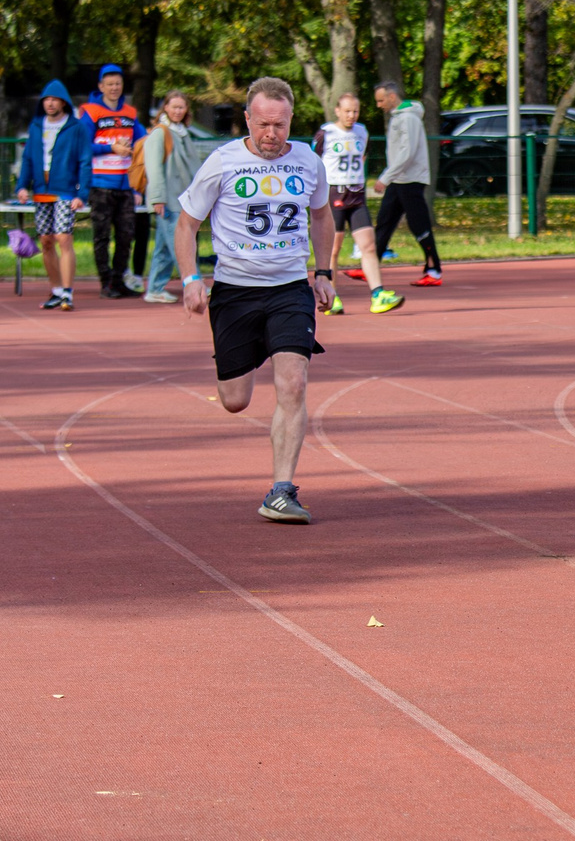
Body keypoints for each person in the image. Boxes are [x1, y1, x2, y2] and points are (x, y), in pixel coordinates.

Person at [175, 77, 337, 524]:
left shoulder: (308, 161)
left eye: (280, 125)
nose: (271, 134)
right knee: (234, 400)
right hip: (235, 291)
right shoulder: (223, 162)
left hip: (289, 289)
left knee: (294, 382)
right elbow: (186, 224)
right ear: (247, 119)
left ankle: (281, 490)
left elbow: (322, 216)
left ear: (291, 121)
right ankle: (255, 348)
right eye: (263, 124)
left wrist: (324, 273)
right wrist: (191, 279)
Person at [315, 93, 402, 316]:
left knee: (369, 246)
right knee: (333, 249)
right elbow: (313, 161)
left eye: (355, 111)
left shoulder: (362, 132)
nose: (351, 116)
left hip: (356, 195)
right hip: (334, 194)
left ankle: (378, 294)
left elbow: (363, 156)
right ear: (337, 111)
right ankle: (331, 296)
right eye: (347, 111)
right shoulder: (326, 133)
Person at [16, 80, 93, 310]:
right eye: (46, 100)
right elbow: (28, 158)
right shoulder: (36, 126)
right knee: (46, 240)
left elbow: (85, 161)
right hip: (41, 191)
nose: (50, 103)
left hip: (65, 192)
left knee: (63, 237)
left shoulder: (76, 127)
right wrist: (22, 186)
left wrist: (82, 194)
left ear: (64, 103)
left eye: (54, 99)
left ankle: (68, 292)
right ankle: (56, 290)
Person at [76, 64, 144, 298]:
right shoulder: (90, 112)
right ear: (101, 86)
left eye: (118, 84)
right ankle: (106, 283)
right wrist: (110, 148)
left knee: (126, 236)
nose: (114, 88)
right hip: (101, 185)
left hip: (126, 185)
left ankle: (118, 280)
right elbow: (82, 146)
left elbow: (142, 142)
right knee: (102, 236)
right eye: (110, 84)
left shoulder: (130, 113)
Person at [370, 81, 442, 286]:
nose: (379, 105)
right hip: (399, 179)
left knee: (418, 223)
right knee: (384, 221)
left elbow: (407, 152)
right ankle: (370, 266)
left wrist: (385, 177)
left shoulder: (409, 118)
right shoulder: (398, 117)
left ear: (392, 97)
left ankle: (434, 269)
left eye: (381, 100)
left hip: (410, 180)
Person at [142, 92, 198, 303]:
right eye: (174, 107)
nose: (178, 111)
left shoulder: (183, 133)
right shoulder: (160, 133)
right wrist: (158, 198)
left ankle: (155, 288)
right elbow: (153, 168)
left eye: (181, 107)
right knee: (181, 245)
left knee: (164, 248)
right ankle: (194, 283)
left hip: (182, 198)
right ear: (165, 107)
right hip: (168, 199)